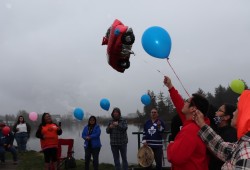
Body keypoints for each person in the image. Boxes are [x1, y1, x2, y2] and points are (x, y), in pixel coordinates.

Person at [193, 90, 250, 169]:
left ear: (245, 114)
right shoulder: (243, 143)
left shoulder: (247, 152)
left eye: (237, 109)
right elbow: (222, 147)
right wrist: (202, 125)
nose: (233, 113)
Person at [163, 76, 210, 170]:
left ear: (193, 109)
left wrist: (171, 144)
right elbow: (179, 103)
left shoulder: (191, 130)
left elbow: (175, 157)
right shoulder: (197, 123)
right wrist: (170, 86)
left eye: (187, 101)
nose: (184, 102)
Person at [208, 103, 237, 170]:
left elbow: (223, 154)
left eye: (219, 110)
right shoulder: (218, 129)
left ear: (226, 117)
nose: (216, 112)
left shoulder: (231, 134)